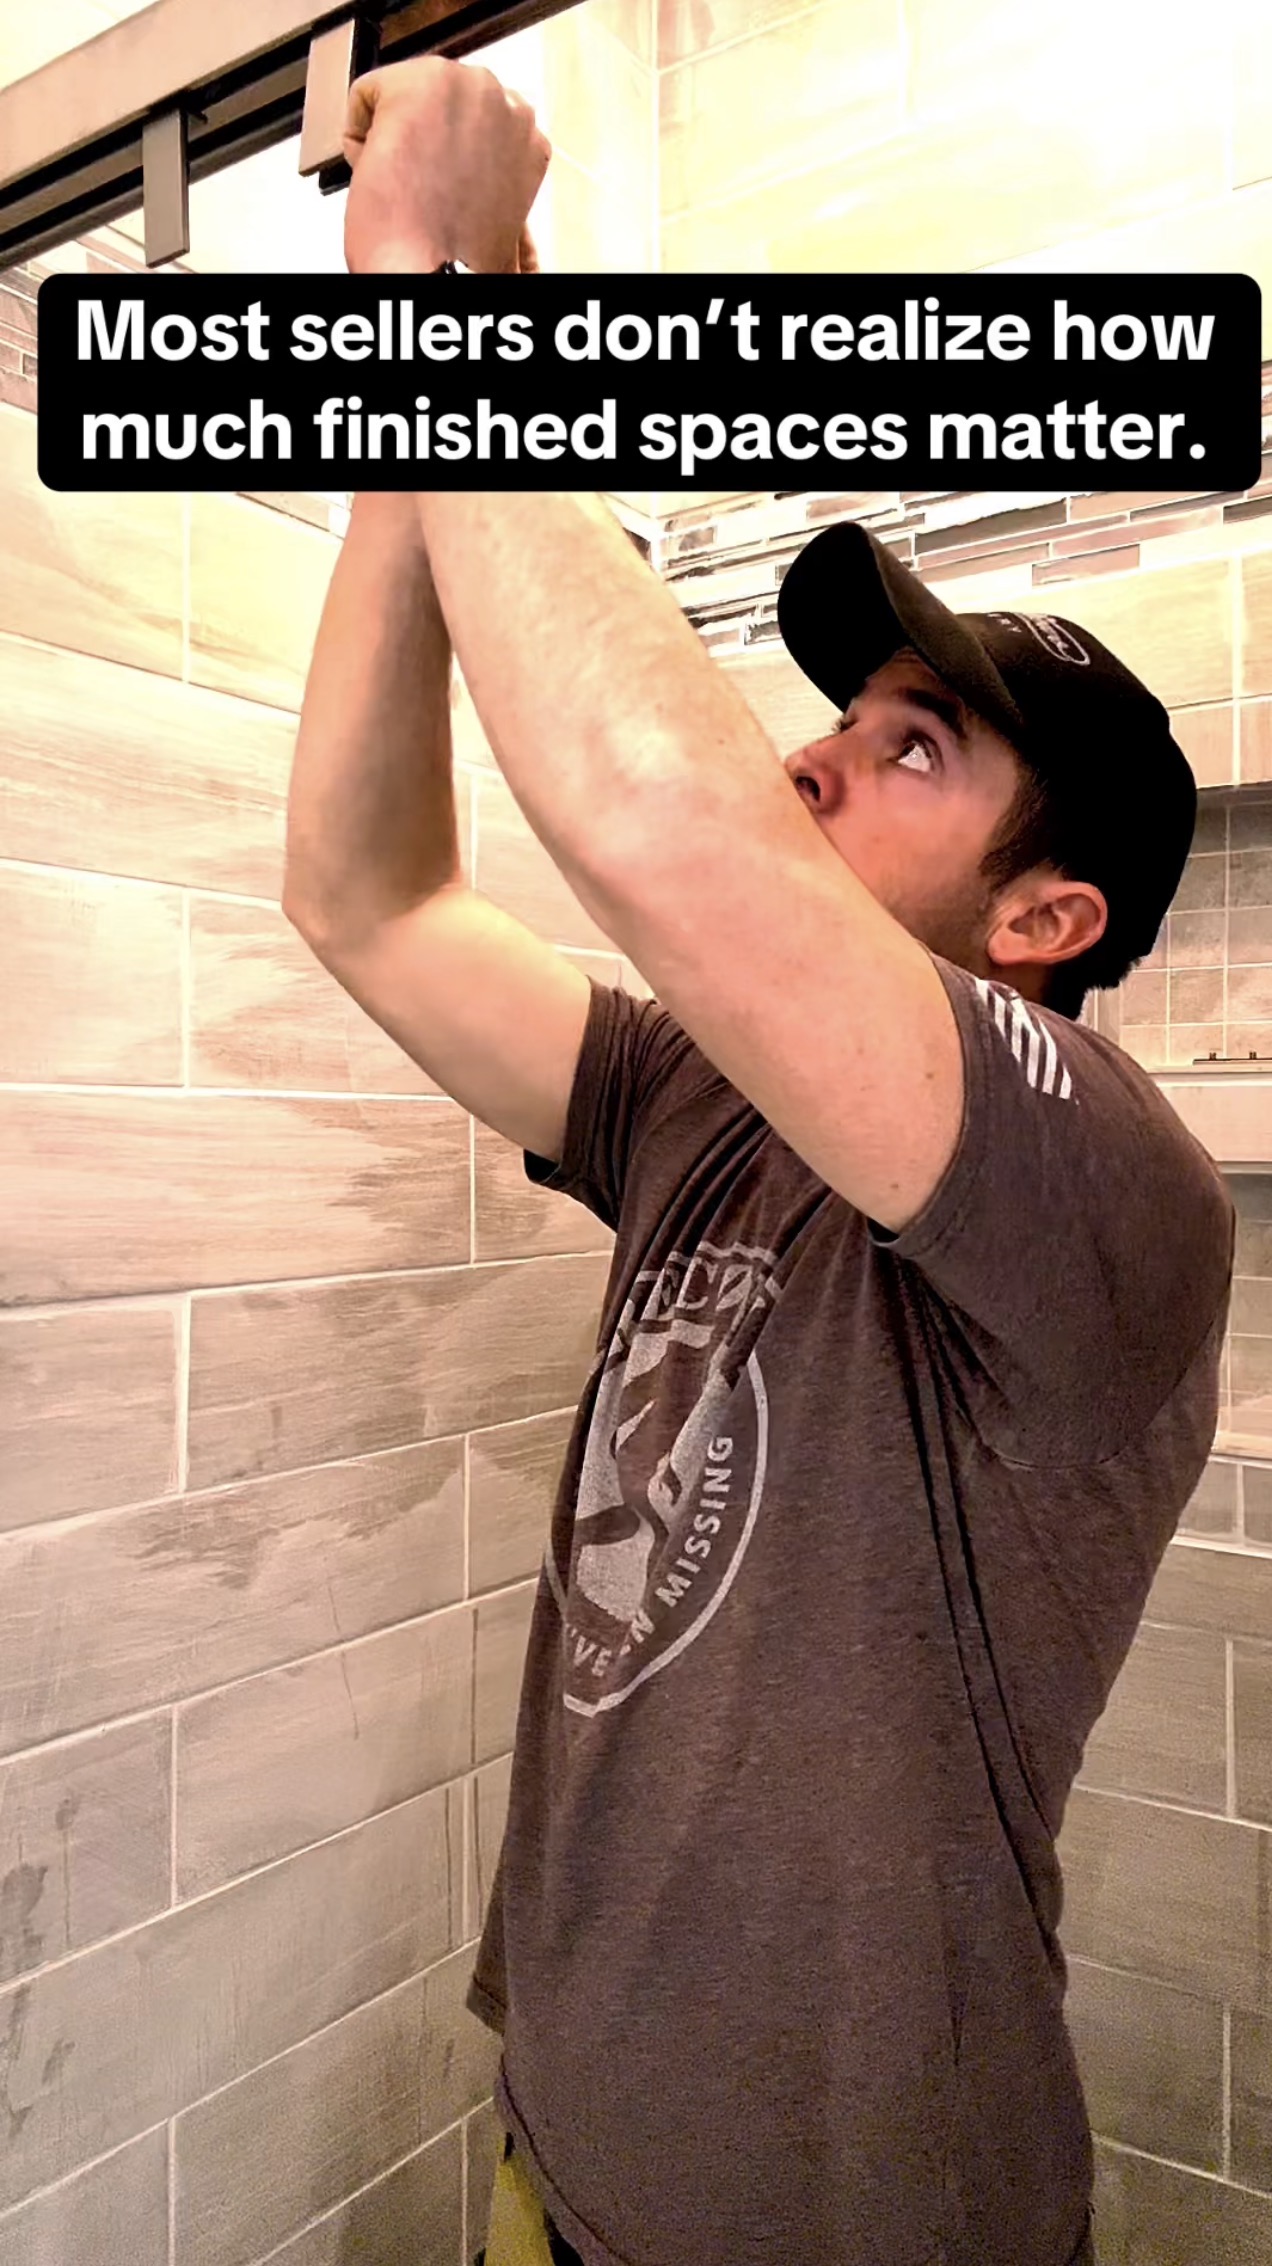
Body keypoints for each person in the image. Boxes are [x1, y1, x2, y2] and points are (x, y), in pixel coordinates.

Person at [281, 56, 1235, 2266]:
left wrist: (424, 292)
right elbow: (367, 895)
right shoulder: (707, 1101)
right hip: (559, 2126)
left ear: (1043, 920)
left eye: (916, 744)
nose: (819, 754)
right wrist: (426, 372)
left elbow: (662, 826)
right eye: (844, 708)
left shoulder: (1113, 1197)